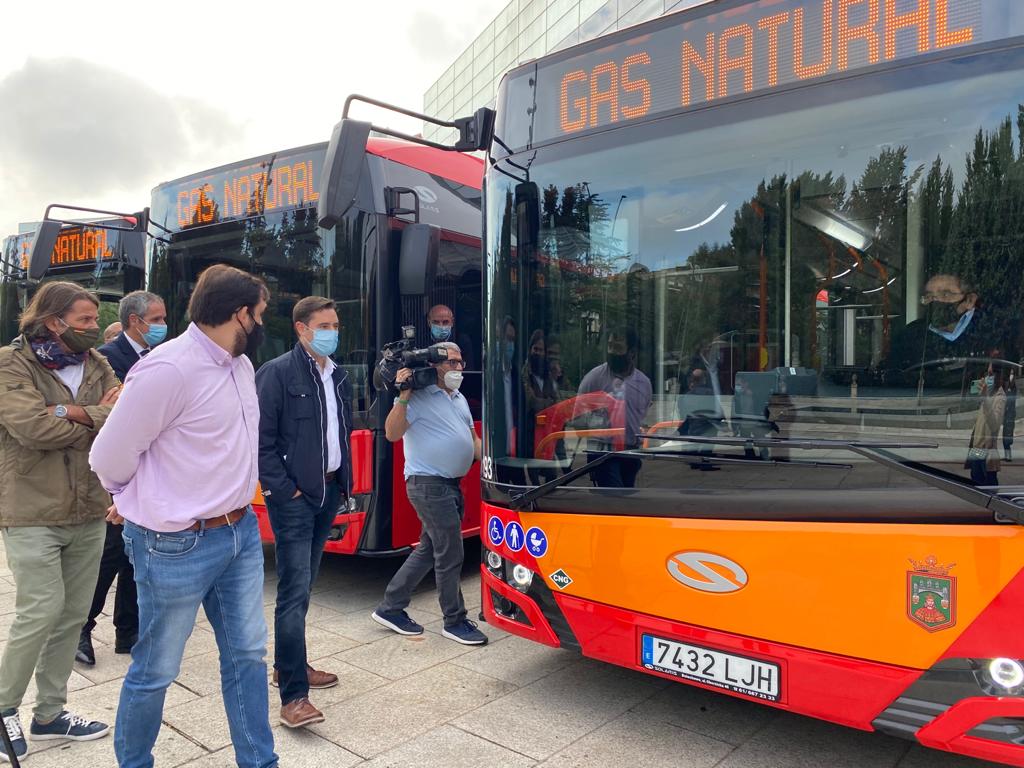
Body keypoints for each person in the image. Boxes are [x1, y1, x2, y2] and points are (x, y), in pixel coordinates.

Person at [89, 265, 278, 768]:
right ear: (240, 314)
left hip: (239, 534)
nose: (262, 324)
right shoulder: (167, 369)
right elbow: (108, 457)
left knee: (248, 658)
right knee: (157, 667)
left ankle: (259, 761)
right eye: (259, 315)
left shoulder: (238, 365)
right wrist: (139, 500)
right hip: (175, 544)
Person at [0, 281, 121, 762]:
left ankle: (50, 713)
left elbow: (126, 409)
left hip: (88, 507)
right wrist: (95, 415)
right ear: (54, 321)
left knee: (73, 613)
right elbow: (33, 429)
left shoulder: (96, 363)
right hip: (32, 509)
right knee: (40, 610)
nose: (94, 328)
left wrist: (70, 412)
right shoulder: (12, 363)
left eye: (95, 319)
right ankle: (3, 706)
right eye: (85, 320)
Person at [256, 296, 352, 729]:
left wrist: (342, 484)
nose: (332, 331)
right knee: (293, 594)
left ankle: (288, 665)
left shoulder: (337, 375)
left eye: (335, 324)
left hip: (328, 491)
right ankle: (294, 695)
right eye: (324, 325)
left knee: (306, 586)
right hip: (295, 500)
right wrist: (286, 491)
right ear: (301, 328)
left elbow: (338, 433)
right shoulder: (276, 373)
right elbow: (261, 443)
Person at [371, 341, 486, 646]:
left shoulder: (458, 398)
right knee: (450, 552)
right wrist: (404, 395)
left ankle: (390, 607)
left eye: (461, 362)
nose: (458, 368)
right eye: (451, 363)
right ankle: (455, 620)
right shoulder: (419, 396)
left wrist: (490, 461)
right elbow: (393, 433)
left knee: (428, 549)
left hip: (450, 484)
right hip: (428, 484)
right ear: (434, 365)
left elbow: (472, 438)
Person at [77, 291, 168, 667]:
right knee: (109, 554)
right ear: (135, 321)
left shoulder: (161, 357)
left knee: (137, 555)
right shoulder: (107, 360)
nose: (164, 326)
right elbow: (102, 418)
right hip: (114, 474)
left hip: (148, 469)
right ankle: (81, 627)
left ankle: (127, 632)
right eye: (158, 319)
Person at [576, 328, 653, 488]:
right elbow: (578, 416)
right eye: (609, 346)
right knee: (614, 495)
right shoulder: (594, 378)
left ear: (632, 353)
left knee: (626, 498)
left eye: (617, 348)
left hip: (631, 452)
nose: (611, 352)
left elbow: (642, 415)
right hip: (603, 452)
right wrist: (598, 422)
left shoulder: (644, 384)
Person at [966, 358, 1006, 487]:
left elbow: (994, 425)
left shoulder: (1000, 397)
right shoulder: (988, 394)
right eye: (987, 373)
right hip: (977, 449)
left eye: (990, 374)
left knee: (989, 490)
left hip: (986, 452)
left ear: (998, 375)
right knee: (976, 486)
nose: (987, 377)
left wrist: (985, 399)